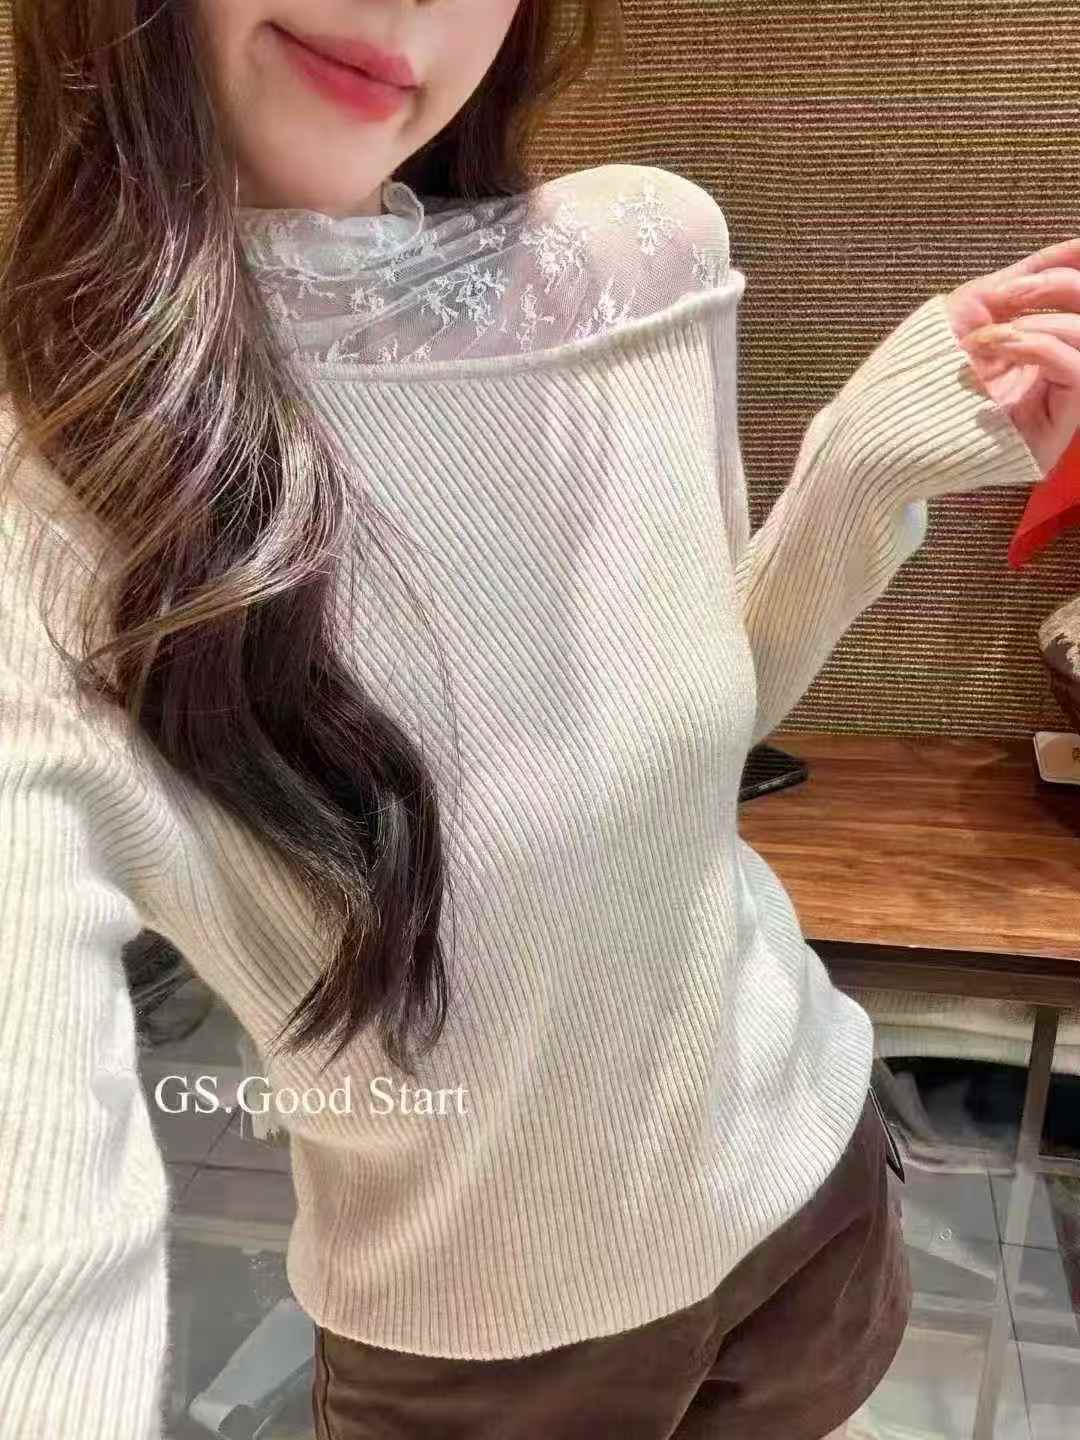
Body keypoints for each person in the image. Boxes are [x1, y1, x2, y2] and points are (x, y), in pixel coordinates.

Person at [0, 2, 1076, 1437]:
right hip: (489, 1352)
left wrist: (860, 469)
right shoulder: (46, 496)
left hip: (808, 1189)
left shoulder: (636, 261)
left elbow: (698, 732)